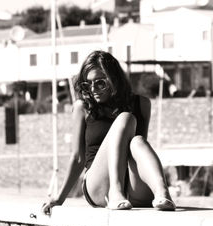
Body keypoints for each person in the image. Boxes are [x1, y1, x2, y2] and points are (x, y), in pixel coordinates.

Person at [42, 50, 175, 214]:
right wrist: (59, 198)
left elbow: (136, 153)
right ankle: (115, 191)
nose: (93, 89)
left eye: (99, 83)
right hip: (98, 185)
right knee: (126, 118)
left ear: (114, 80)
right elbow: (78, 157)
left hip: (133, 187)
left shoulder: (142, 103)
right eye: (87, 84)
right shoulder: (82, 108)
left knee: (137, 141)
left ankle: (162, 192)